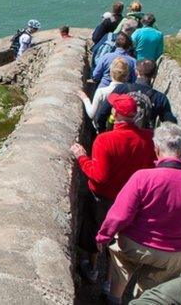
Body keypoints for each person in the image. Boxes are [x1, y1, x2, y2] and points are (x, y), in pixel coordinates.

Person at [97, 123, 181, 301]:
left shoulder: (142, 177)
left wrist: (103, 236)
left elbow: (120, 215)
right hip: (174, 253)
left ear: (156, 149)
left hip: (134, 244)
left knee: (121, 268)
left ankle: (114, 298)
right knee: (154, 294)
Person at [71, 93, 157, 283]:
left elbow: (99, 177)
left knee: (97, 230)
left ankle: (92, 268)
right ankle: (111, 281)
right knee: (120, 238)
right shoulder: (149, 138)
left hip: (104, 197)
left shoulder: (105, 140)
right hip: (134, 198)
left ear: (114, 113)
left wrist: (81, 158)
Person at [93, 60, 177, 130]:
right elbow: (170, 126)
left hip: (120, 134)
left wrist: (103, 132)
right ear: (154, 75)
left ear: (136, 72)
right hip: (144, 141)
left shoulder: (121, 89)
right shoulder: (159, 98)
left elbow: (101, 114)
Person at [79, 58, 132, 123]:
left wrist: (85, 99)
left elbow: (91, 114)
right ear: (127, 75)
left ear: (110, 72)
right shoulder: (131, 93)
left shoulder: (101, 92)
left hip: (103, 128)